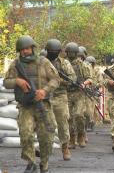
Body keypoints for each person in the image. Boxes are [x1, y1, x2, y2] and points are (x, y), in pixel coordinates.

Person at [4, 35, 60, 173]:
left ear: (33, 48)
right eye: (22, 49)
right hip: (25, 106)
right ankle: (31, 162)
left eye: (27, 48)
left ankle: (44, 163)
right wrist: (17, 81)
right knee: (26, 133)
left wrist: (44, 91)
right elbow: (6, 82)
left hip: (43, 105)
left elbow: (56, 80)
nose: (24, 51)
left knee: (46, 136)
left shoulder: (44, 62)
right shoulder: (16, 64)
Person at [45, 39, 76, 161]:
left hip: (60, 96)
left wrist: (59, 80)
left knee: (63, 123)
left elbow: (72, 78)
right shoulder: (42, 62)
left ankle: (65, 147)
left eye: (55, 51)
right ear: (46, 50)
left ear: (59, 52)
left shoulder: (64, 63)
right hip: (46, 96)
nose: (52, 53)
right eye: (50, 51)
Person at [65, 42, 93, 148]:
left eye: (73, 52)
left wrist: (84, 84)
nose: (71, 54)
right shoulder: (63, 64)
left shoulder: (82, 65)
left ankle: (81, 135)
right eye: (69, 52)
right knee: (68, 117)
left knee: (79, 115)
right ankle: (71, 139)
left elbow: (90, 78)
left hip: (79, 93)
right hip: (66, 93)